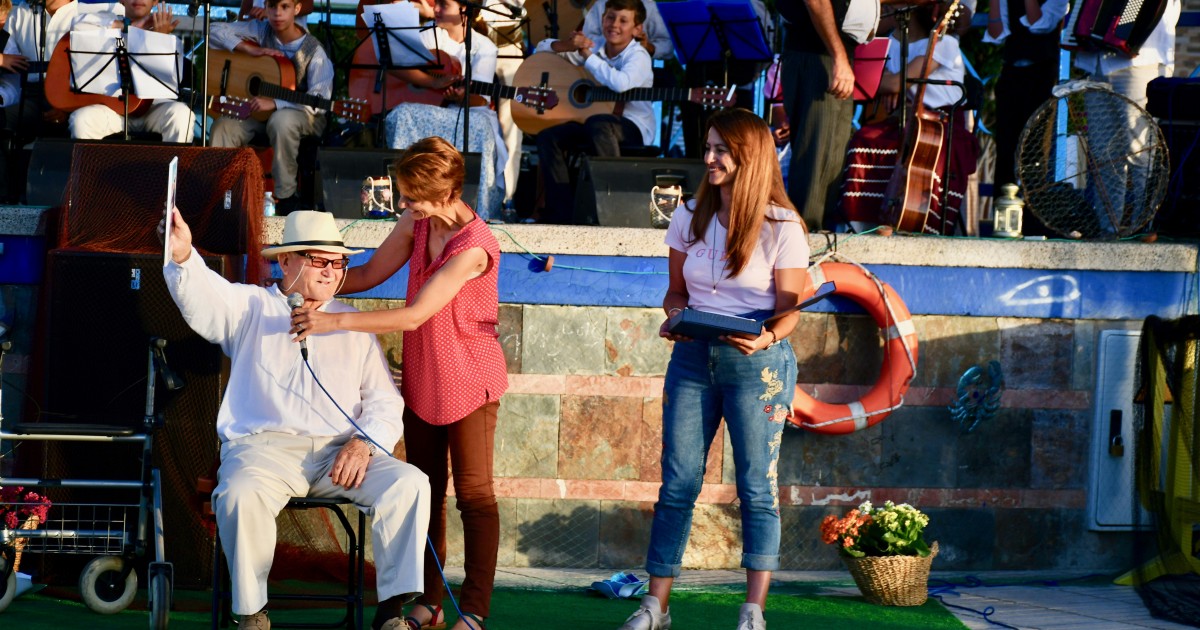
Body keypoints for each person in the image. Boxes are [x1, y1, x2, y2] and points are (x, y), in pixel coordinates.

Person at [160, 209, 431, 630]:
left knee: (410, 483)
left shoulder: (354, 325)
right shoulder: (251, 305)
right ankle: (250, 614)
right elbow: (206, 297)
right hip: (262, 452)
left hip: (340, 454)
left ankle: (390, 614)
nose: (330, 271)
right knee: (239, 495)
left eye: (337, 262)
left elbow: (383, 402)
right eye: (317, 259)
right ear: (285, 261)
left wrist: (365, 443)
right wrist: (182, 257)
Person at [290, 137, 508, 630]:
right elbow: (366, 273)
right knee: (424, 491)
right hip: (425, 376)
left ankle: (473, 610)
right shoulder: (417, 221)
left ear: (445, 193)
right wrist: (315, 275)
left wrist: (332, 323)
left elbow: (413, 316)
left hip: (470, 378)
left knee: (474, 494)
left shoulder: (476, 248)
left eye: (412, 196)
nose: (403, 205)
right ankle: (427, 603)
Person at [619, 108, 807, 630]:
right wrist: (676, 318)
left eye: (721, 150)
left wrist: (767, 335)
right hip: (693, 358)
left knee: (755, 486)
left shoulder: (782, 226)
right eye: (708, 147)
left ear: (749, 156)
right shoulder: (689, 215)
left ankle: (753, 611)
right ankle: (656, 606)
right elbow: (676, 291)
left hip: (758, 364)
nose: (709, 158)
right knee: (678, 481)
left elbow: (791, 309)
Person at [840, 1, 979, 234]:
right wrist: (892, 87)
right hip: (903, 119)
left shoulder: (945, 43)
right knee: (864, 139)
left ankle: (916, 219)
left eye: (890, 6)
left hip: (942, 126)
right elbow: (878, 81)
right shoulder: (891, 43)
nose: (884, 10)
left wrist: (894, 86)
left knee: (919, 150)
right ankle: (864, 223)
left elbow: (894, 81)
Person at [382, 0, 507, 220]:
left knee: (479, 125)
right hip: (429, 107)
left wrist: (462, 97)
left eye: (443, 4)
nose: (436, 9)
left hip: (471, 111)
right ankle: (405, 195)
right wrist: (431, 82)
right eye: (436, 3)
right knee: (402, 113)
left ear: (464, 9)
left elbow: (480, 100)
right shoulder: (426, 36)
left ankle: (478, 211)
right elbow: (393, 66)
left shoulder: (483, 46)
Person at [533, 0, 653, 224]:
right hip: (591, 123)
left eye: (623, 20)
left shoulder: (639, 56)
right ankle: (561, 213)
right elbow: (542, 48)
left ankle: (612, 206)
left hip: (632, 126)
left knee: (598, 124)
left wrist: (588, 55)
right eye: (609, 17)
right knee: (548, 137)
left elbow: (621, 84)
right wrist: (567, 45)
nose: (614, 24)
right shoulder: (595, 46)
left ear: (637, 29)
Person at [208, 0, 332, 215]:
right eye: (272, 6)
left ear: (297, 9)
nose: (277, 13)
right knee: (224, 125)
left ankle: (286, 198)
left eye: (284, 6)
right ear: (265, 7)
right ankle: (224, 197)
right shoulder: (260, 30)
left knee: (281, 121)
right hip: (258, 114)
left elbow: (319, 101)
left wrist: (276, 103)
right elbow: (213, 30)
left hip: (303, 116)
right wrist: (248, 49)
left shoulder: (314, 51)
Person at [984, 0, 1067, 235]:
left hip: (1041, 75)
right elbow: (996, 33)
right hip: (1011, 71)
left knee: (1035, 149)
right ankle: (1002, 220)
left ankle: (1033, 223)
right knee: (1005, 148)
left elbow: (1038, 23)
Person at [68, 0, 194, 143]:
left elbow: (170, 84)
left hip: (153, 110)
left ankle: (173, 165)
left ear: (155, 2)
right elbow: (77, 25)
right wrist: (129, 26)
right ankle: (89, 165)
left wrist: (159, 39)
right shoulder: (108, 25)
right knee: (81, 120)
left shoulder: (172, 40)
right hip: (112, 109)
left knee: (182, 115)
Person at [778, 0, 856, 231]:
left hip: (829, 56)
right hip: (816, 55)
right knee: (816, 152)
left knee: (832, 154)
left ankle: (819, 232)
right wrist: (839, 58)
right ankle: (804, 236)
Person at [581, 0, 671, 61]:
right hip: (601, 66)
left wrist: (648, 47)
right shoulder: (600, 4)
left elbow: (668, 45)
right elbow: (587, 38)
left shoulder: (650, 6)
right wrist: (616, 42)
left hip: (646, 67)